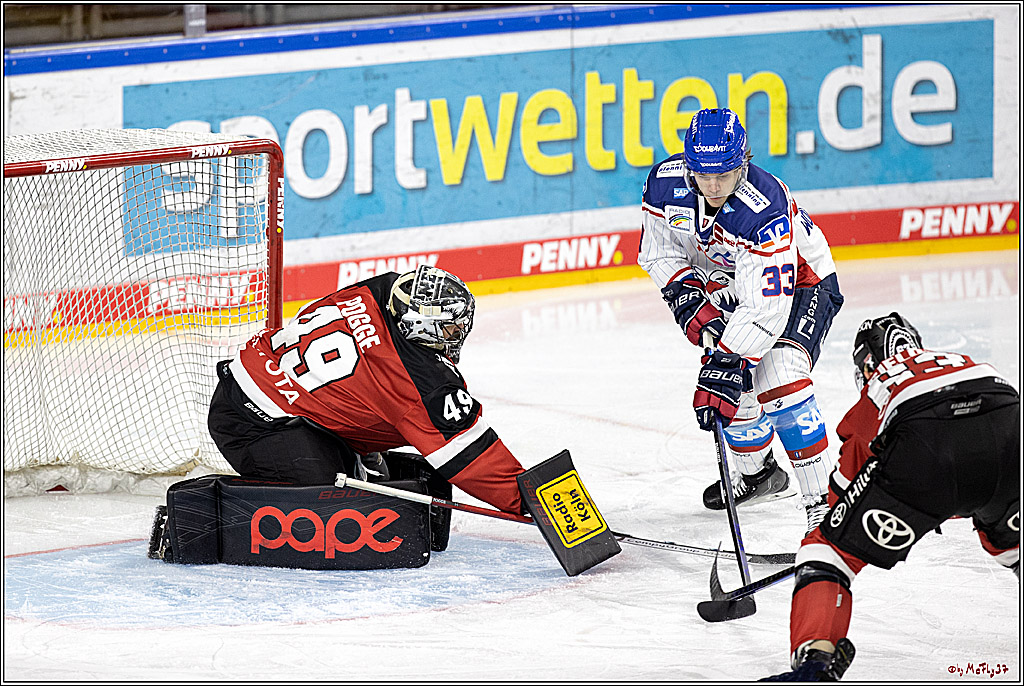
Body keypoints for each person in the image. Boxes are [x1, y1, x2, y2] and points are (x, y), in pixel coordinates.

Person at [765, 312, 1020, 681]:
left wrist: (912, 510)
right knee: (1013, 545)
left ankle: (814, 665)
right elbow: (978, 439)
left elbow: (843, 496)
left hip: (924, 442)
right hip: (1011, 424)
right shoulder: (958, 361)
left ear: (866, 363)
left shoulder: (882, 381)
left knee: (825, 551)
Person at [639, 107, 845, 533]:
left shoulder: (764, 208)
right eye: (703, 175)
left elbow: (766, 309)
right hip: (731, 286)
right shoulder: (663, 185)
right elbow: (658, 251)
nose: (713, 186)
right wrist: (686, 296)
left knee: (776, 376)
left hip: (801, 283)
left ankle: (824, 506)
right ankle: (758, 475)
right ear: (688, 166)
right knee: (736, 395)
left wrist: (731, 359)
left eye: (725, 175)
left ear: (744, 163)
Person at [207, 264, 526, 514]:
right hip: (256, 423)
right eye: (449, 327)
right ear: (421, 327)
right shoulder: (423, 382)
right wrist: (530, 501)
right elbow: (473, 458)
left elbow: (310, 317)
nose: (456, 334)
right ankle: (214, 517)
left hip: (257, 382)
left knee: (358, 487)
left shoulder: (380, 288)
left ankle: (347, 451)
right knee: (332, 511)